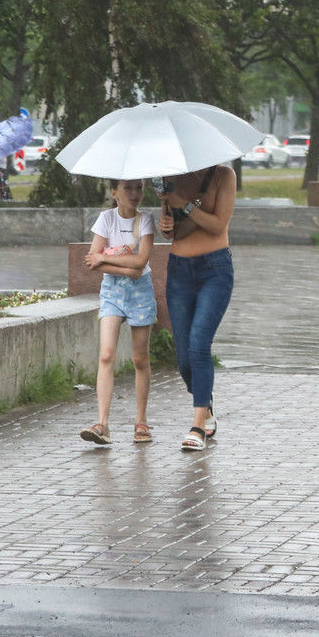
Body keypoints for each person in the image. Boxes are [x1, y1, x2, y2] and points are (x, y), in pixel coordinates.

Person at [157, 164, 237, 452]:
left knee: (199, 345)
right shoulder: (170, 178)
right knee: (183, 358)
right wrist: (166, 224)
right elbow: (171, 231)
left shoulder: (224, 175)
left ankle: (197, 426)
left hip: (214, 270)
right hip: (179, 271)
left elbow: (218, 225)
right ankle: (207, 407)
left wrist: (186, 205)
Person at [79, 179, 157, 445]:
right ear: (115, 193)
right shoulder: (106, 219)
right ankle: (102, 423)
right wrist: (125, 267)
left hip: (141, 293)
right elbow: (92, 260)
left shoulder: (145, 220)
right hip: (112, 292)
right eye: (128, 189)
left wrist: (107, 258)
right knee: (106, 354)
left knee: (139, 359)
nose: (135, 194)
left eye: (139, 188)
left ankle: (141, 422)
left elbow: (141, 262)